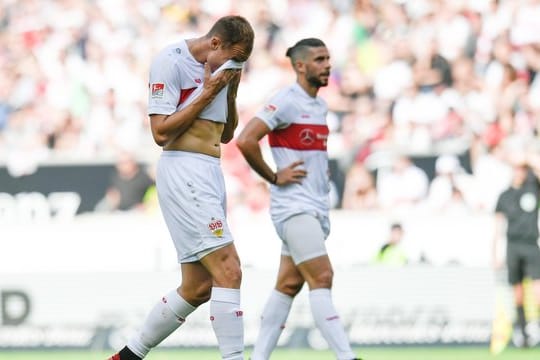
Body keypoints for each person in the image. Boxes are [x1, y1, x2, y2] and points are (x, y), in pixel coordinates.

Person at [108, 15, 254, 360]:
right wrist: (207, 93)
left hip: (209, 171)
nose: (236, 64)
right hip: (184, 169)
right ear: (215, 43)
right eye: (234, 56)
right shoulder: (170, 61)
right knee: (229, 269)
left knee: (198, 286)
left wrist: (229, 89)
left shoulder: (223, 72)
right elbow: (160, 133)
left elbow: (227, 133)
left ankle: (128, 356)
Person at [236, 38, 360, 360]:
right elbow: (247, 139)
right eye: (319, 59)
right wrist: (274, 176)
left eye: (328, 58)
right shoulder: (286, 100)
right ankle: (346, 357)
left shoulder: (319, 105)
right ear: (301, 66)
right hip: (294, 207)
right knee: (322, 276)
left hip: (316, 205)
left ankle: (258, 358)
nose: (327, 65)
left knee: (288, 285)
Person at [493, 152, 540, 348]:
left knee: (538, 287)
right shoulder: (505, 196)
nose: (520, 173)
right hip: (513, 246)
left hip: (531, 244)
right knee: (517, 290)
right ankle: (523, 328)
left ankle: (535, 324)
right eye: (517, 169)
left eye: (523, 169)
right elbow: (497, 227)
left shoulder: (533, 188)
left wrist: (528, 159)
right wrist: (494, 253)